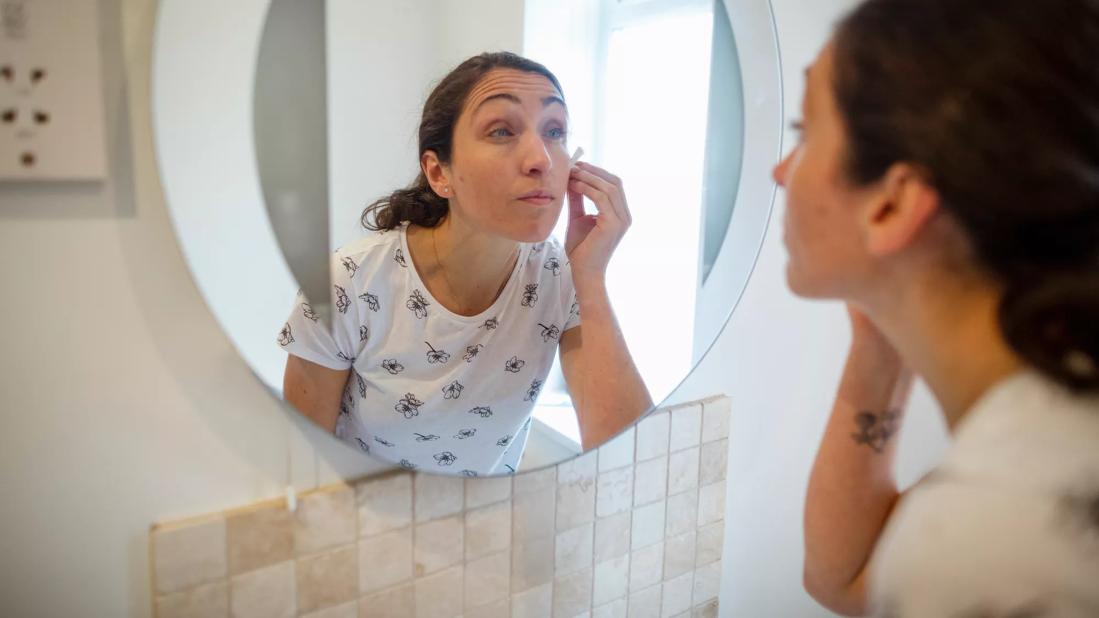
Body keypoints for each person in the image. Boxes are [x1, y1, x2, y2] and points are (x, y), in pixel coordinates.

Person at [775, 0, 1099, 614]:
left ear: (893, 204)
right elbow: (842, 580)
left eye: (803, 132)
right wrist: (880, 335)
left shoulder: (985, 538)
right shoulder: (1064, 399)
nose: (779, 171)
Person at [277, 52, 652, 476]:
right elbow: (302, 466)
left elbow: (631, 464)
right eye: (501, 130)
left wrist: (591, 277)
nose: (541, 159)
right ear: (439, 173)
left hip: (482, 527)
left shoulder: (560, 276)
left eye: (555, 131)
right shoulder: (347, 285)